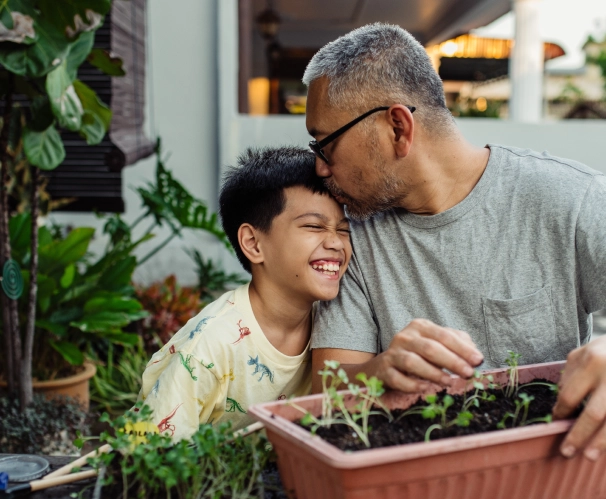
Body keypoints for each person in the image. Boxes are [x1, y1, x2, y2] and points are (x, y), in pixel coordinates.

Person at [303, 23, 606, 462]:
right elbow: (326, 390)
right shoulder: (349, 235)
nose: (319, 168)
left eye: (325, 144)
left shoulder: (570, 198)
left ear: (398, 128)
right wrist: (377, 372)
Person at [136, 146, 352, 441]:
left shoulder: (342, 325)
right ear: (253, 243)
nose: (337, 244)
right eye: (314, 226)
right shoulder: (207, 348)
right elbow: (149, 455)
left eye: (344, 230)